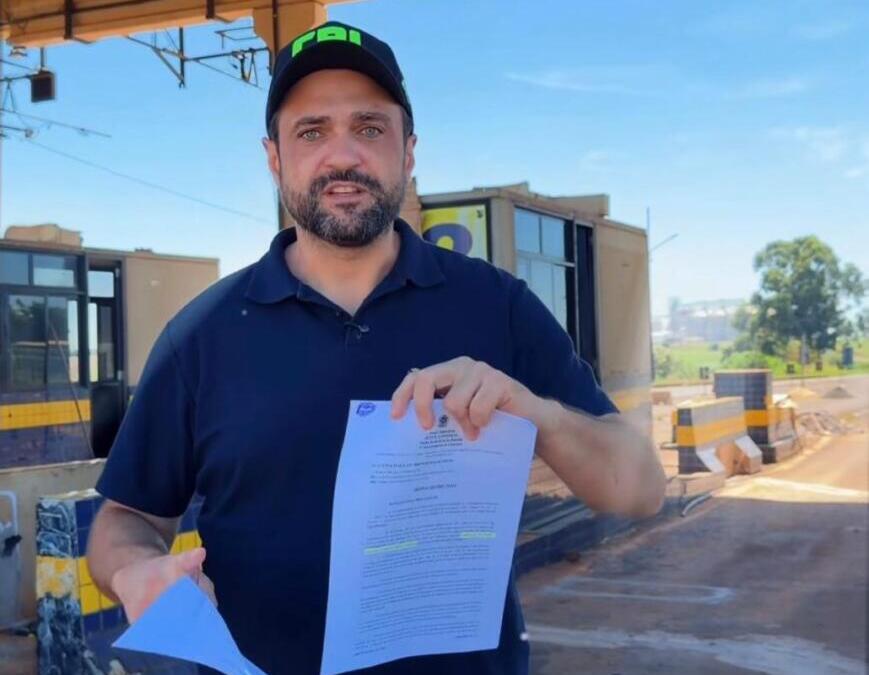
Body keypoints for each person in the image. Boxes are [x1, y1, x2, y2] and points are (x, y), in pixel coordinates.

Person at [87, 20, 666, 675]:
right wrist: (135, 569)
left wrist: (539, 414)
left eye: (368, 128)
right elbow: (125, 518)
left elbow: (641, 488)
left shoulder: (497, 307)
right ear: (274, 158)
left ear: (408, 152)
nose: (343, 157)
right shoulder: (201, 335)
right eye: (312, 132)